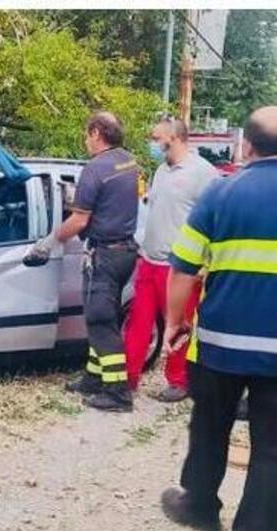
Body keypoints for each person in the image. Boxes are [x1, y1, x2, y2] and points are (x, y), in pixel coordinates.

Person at [161, 106, 277, 531]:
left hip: (221, 343)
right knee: (271, 447)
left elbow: (184, 269)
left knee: (209, 425)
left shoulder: (220, 193)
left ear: (246, 145)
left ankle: (200, 507)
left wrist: (175, 322)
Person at [30, 111, 141, 412]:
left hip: (104, 254)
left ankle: (117, 393)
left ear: (96, 133)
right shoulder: (128, 161)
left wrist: (49, 241)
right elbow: (112, 199)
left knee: (100, 321)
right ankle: (94, 377)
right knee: (103, 314)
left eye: (86, 134)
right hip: (125, 252)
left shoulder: (95, 168)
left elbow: (79, 221)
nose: (85, 140)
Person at [124, 116, 219, 402]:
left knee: (177, 325)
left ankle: (178, 380)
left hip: (179, 268)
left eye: (156, 138)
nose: (152, 143)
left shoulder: (203, 174)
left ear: (174, 138)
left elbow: (215, 220)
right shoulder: (161, 171)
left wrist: (204, 264)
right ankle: (128, 378)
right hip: (150, 261)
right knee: (138, 322)